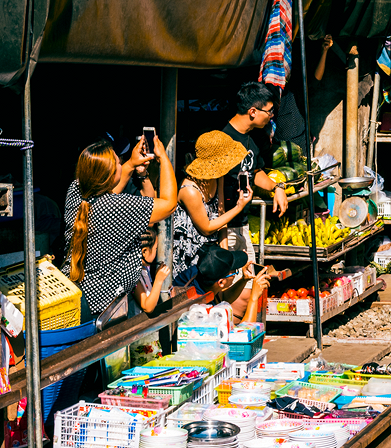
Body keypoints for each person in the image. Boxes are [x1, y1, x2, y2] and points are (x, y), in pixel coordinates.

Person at [63, 137, 177, 321]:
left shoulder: (76, 191)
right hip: (104, 308)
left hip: (79, 295)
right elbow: (169, 205)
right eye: (118, 162)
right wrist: (164, 157)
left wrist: (132, 163)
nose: (121, 164)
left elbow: (109, 187)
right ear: (109, 174)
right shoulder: (117, 207)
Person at [170, 131, 255, 284]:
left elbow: (221, 216)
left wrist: (226, 259)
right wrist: (238, 207)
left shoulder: (217, 177)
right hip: (190, 260)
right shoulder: (189, 190)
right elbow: (207, 228)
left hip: (211, 256)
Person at [223, 83, 288, 252]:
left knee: (250, 276)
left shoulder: (251, 140)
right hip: (224, 227)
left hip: (241, 223)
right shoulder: (223, 141)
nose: (271, 116)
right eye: (269, 111)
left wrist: (277, 187)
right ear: (253, 112)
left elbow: (255, 172)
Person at [191, 243, 275, 322]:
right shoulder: (202, 310)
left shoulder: (203, 277)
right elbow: (243, 333)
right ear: (221, 282)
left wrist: (243, 280)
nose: (236, 273)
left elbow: (223, 298)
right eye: (235, 271)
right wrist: (254, 297)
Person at [134, 233, 172, 316]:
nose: (156, 252)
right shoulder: (133, 275)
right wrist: (158, 280)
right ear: (144, 251)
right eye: (155, 249)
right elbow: (147, 307)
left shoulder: (144, 270)